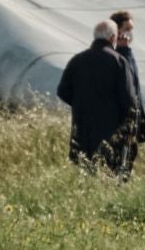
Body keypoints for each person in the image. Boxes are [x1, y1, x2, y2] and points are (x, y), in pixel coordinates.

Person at [57, 18, 137, 173]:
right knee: (106, 175)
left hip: (82, 131)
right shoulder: (119, 62)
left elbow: (63, 91)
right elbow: (129, 100)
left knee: (83, 173)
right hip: (109, 134)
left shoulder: (77, 60)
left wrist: (81, 103)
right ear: (112, 38)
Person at [109, 8, 145, 176]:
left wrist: (142, 124)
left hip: (131, 123)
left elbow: (136, 90)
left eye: (131, 29)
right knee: (117, 165)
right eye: (126, 29)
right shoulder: (114, 55)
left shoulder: (128, 54)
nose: (129, 34)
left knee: (127, 163)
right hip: (119, 123)